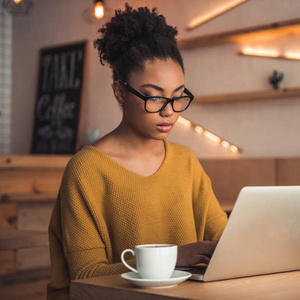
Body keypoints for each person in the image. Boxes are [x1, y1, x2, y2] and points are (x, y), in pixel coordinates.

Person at [47, 4, 228, 298]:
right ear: (120, 91)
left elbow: (222, 239)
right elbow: (85, 273)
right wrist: (172, 257)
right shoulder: (87, 170)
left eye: (178, 97)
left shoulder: (186, 162)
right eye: (155, 97)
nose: (169, 112)